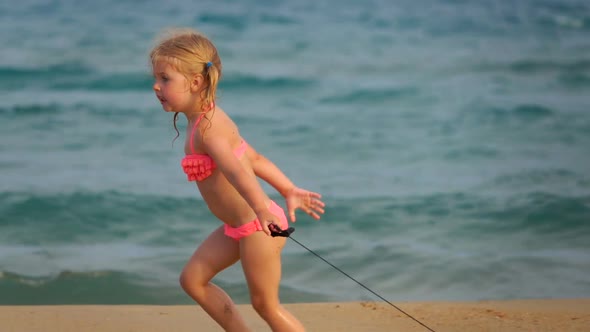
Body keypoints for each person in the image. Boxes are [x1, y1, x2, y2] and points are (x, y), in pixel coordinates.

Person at [150, 28, 325, 331]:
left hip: (258, 225)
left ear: (195, 82)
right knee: (193, 280)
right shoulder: (202, 121)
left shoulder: (208, 128)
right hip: (239, 227)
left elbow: (235, 169)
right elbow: (253, 158)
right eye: (156, 78)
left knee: (265, 305)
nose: (156, 86)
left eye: (165, 79)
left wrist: (261, 207)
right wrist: (288, 188)